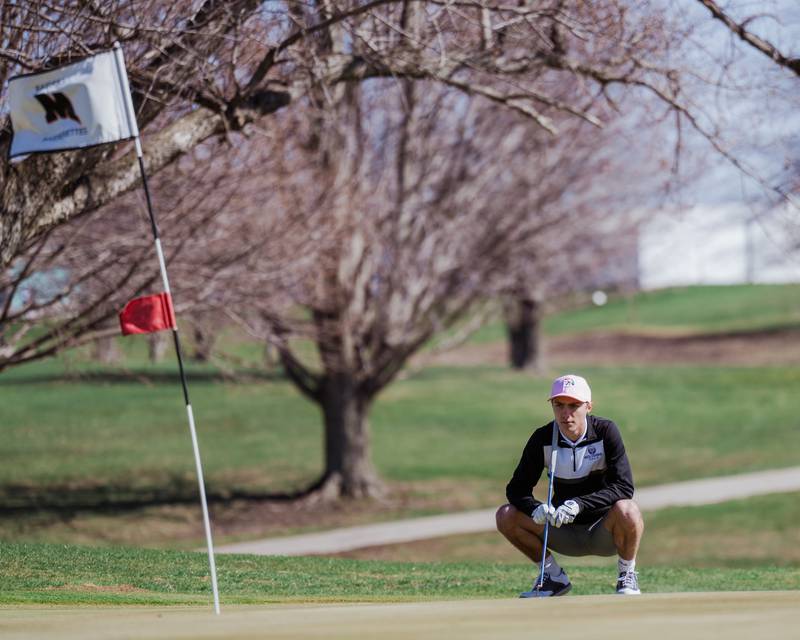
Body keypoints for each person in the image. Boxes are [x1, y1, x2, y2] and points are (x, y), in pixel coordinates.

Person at [496, 373, 644, 597]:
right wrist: (534, 508)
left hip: (603, 531)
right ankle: (553, 577)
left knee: (628, 510)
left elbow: (623, 487)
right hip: (561, 530)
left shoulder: (605, 432)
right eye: (559, 405)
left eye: (574, 405)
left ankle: (626, 576)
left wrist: (579, 504)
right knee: (506, 515)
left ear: (588, 406)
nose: (566, 414)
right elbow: (516, 489)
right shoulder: (543, 438)